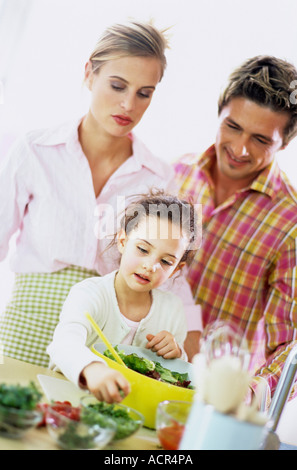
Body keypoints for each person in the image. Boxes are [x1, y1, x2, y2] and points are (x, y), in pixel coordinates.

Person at [0, 21, 201, 368]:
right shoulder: (35, 150)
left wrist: (190, 344)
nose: (128, 104)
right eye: (118, 85)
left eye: (144, 92)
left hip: (103, 341)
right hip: (24, 330)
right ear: (90, 73)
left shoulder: (158, 176)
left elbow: (169, 266)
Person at [174, 55, 297, 407]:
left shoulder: (291, 223)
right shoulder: (175, 173)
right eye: (233, 127)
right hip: (140, 369)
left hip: (213, 403)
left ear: (284, 144)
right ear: (219, 112)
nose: (240, 149)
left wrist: (247, 394)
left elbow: (290, 348)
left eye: (261, 139)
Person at [47, 191, 200, 403]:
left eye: (165, 262)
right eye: (143, 249)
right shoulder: (90, 293)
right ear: (122, 241)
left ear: (176, 270)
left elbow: (175, 374)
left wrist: (177, 354)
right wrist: (92, 370)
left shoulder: (173, 310)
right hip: (70, 403)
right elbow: (64, 344)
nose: (150, 266)